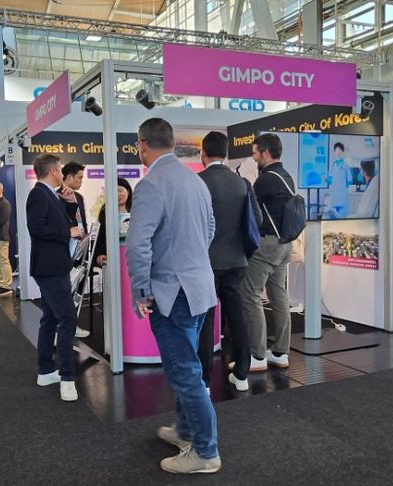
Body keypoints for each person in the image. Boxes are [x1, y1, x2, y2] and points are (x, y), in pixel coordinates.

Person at [126, 118, 220, 474]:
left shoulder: (151, 184)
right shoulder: (195, 179)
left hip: (173, 293)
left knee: (185, 374)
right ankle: (185, 431)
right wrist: (189, 259)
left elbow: (138, 245)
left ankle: (206, 453)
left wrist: (141, 290)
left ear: (142, 144)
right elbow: (210, 228)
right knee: (188, 368)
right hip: (199, 288)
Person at [196, 131, 260, 393]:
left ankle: (204, 381)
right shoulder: (242, 183)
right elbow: (257, 221)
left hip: (206, 262)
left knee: (205, 321)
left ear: (203, 153)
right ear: (226, 153)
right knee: (238, 317)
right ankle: (242, 374)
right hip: (237, 261)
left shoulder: (198, 182)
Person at [26, 153, 84, 402]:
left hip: (54, 265)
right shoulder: (39, 194)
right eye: (60, 169)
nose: (62, 173)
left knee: (50, 317)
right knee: (68, 318)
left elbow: (60, 221)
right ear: (52, 172)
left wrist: (69, 204)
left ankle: (45, 370)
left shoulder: (50, 194)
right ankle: (67, 377)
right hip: (49, 268)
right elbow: (36, 228)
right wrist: (67, 232)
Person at [242, 133, 295, 371]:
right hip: (284, 245)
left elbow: (251, 213)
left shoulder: (265, 181)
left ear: (265, 153)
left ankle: (257, 356)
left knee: (250, 295)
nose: (253, 158)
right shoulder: (286, 176)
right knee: (279, 296)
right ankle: (281, 353)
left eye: (255, 153)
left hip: (267, 246)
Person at [93, 177, 133, 267]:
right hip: (112, 261)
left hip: (132, 258)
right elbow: (101, 238)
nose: (117, 194)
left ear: (128, 191)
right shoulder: (105, 212)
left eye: (120, 190)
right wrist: (101, 254)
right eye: (114, 191)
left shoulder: (136, 211)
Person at [60, 161, 88, 233]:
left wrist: (86, 235)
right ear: (70, 177)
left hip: (81, 238)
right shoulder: (57, 196)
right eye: (80, 178)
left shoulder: (79, 197)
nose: (81, 181)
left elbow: (83, 221)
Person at [328, 142, 351, 218]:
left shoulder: (346, 165)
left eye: (340, 150)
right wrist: (326, 179)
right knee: (333, 216)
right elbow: (329, 179)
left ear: (342, 151)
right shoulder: (332, 164)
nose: (338, 152)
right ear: (334, 151)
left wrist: (343, 188)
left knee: (342, 217)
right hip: (334, 195)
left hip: (342, 196)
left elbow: (349, 180)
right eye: (336, 150)